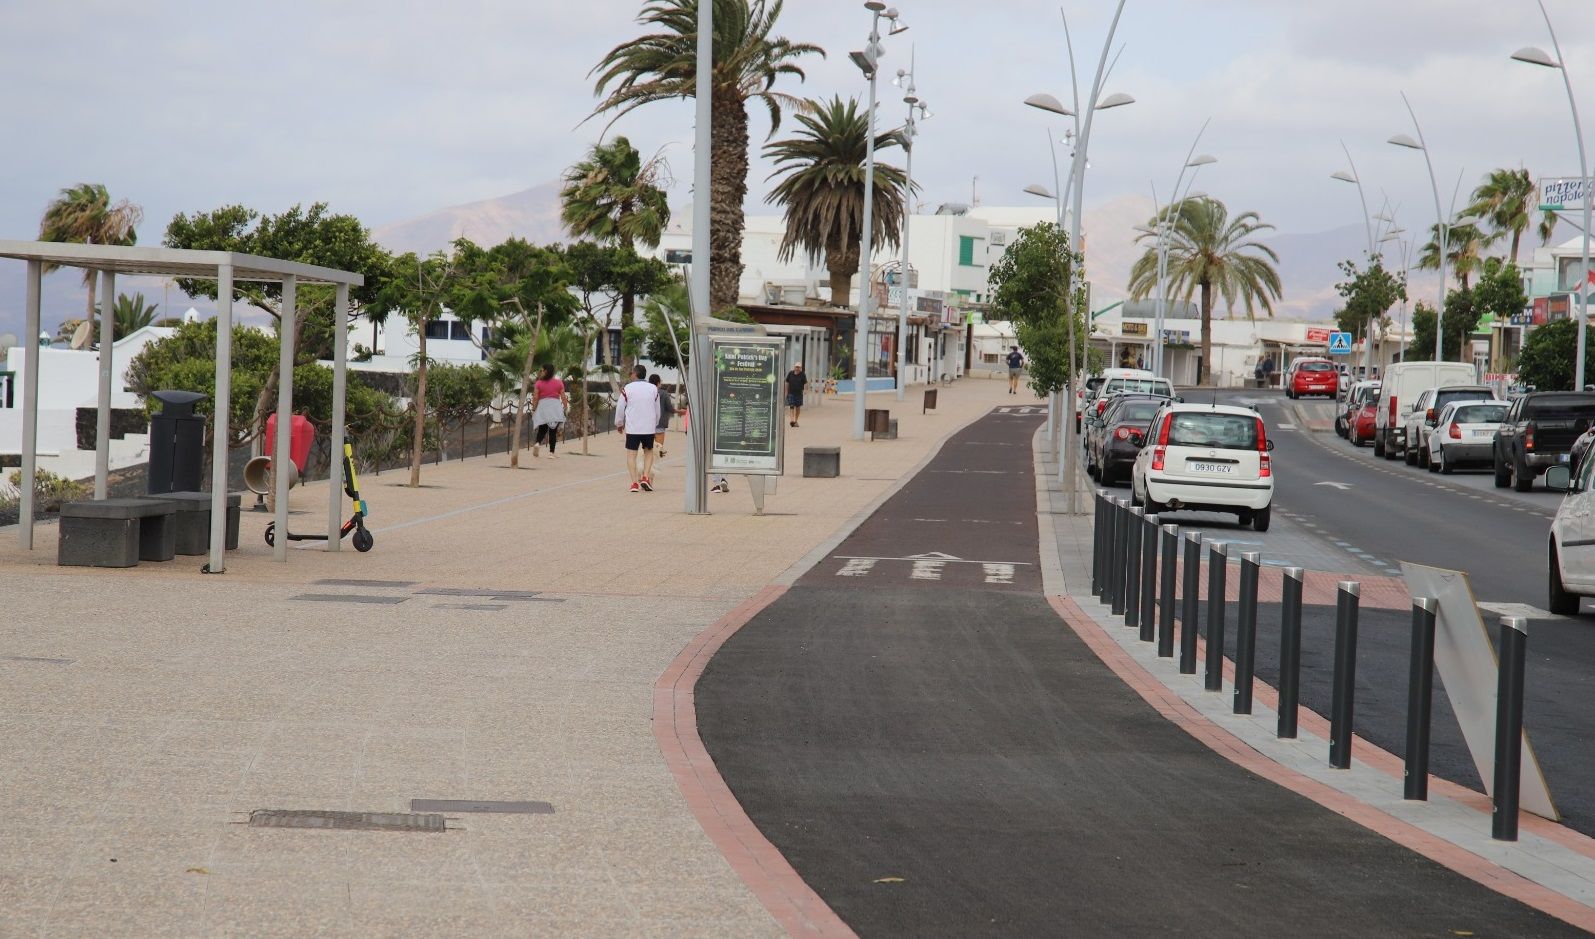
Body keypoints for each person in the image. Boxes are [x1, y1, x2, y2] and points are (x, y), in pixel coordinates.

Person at [618, 363, 660, 493]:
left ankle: (634, 483)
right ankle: (646, 477)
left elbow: (620, 407)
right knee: (648, 452)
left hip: (633, 427)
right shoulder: (653, 389)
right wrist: (655, 423)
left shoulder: (627, 389)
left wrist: (619, 423)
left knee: (631, 454)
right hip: (648, 427)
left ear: (635, 374)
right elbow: (657, 410)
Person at [530, 364, 567, 459]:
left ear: (546, 371)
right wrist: (565, 406)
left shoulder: (538, 383)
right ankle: (551, 453)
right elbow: (563, 396)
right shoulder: (559, 382)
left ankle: (537, 443)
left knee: (542, 428)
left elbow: (535, 398)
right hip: (555, 407)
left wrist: (534, 409)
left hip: (543, 406)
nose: (540, 372)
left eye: (542, 370)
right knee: (553, 431)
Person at [649, 373, 675, 459]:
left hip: (647, 425)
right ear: (658, 383)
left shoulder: (646, 393)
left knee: (648, 450)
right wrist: (679, 411)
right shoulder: (663, 393)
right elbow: (670, 408)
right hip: (660, 424)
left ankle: (647, 470)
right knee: (659, 449)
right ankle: (653, 466)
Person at [785, 363, 806, 427]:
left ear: (800, 368)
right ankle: (792, 421)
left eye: (799, 367)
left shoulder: (802, 374)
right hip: (791, 393)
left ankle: (796, 421)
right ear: (794, 367)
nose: (797, 368)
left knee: (798, 408)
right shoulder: (790, 373)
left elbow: (805, 383)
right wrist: (786, 392)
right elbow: (787, 382)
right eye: (796, 367)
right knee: (791, 406)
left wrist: (805, 390)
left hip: (799, 394)